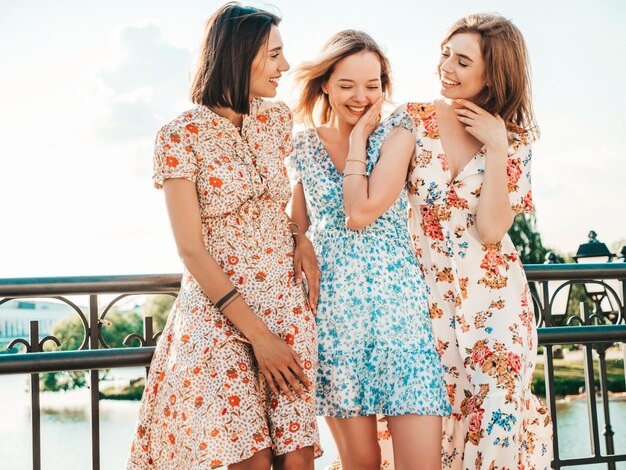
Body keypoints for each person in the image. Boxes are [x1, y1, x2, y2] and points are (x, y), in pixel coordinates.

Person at [126, 4, 322, 469]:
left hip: (285, 306)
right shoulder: (179, 135)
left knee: (298, 460)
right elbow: (190, 248)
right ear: (240, 55)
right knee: (247, 459)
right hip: (220, 319)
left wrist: (302, 240)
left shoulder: (276, 121)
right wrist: (260, 338)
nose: (285, 66)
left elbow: (279, 204)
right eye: (274, 55)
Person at [384, 13, 553, 469]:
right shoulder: (413, 120)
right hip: (423, 298)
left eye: (462, 61)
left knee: (496, 418)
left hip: (496, 302)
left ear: (492, 74)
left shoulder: (514, 142)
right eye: (445, 54)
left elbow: (492, 230)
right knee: (428, 422)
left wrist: (496, 146)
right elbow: (376, 204)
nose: (446, 67)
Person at [286, 30, 450, 470]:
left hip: (401, 319)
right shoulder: (300, 145)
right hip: (336, 322)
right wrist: (299, 239)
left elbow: (362, 212)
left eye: (373, 85)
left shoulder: (400, 131)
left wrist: (358, 141)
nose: (361, 96)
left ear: (383, 87)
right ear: (324, 84)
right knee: (362, 464)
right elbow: (293, 226)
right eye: (346, 85)